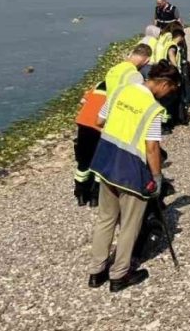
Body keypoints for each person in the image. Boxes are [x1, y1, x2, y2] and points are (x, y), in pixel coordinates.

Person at [87, 62, 180, 292]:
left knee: (105, 219)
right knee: (129, 225)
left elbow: (99, 121)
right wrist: (157, 177)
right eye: (171, 90)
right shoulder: (152, 109)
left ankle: (96, 272)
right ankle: (119, 274)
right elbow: (151, 149)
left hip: (106, 162)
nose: (169, 94)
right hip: (131, 171)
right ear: (164, 84)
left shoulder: (121, 91)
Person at [73, 44, 153, 207]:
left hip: (86, 123)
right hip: (107, 123)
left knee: (83, 162)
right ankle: (96, 197)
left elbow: (84, 101)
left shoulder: (112, 72)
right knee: (100, 162)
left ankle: (81, 194)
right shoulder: (134, 76)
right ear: (147, 60)